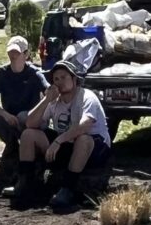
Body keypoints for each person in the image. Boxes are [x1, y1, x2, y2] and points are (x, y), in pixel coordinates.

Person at [15, 57, 113, 213]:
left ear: (74, 79)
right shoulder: (54, 101)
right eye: (56, 79)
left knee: (83, 138)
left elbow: (85, 125)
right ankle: (25, 182)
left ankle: (68, 189)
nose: (59, 81)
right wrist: (46, 100)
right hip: (68, 146)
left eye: (64, 77)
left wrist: (58, 141)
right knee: (28, 134)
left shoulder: (87, 96)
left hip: (94, 149)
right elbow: (30, 123)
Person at [0, 36, 48, 194]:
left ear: (26, 54)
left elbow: (48, 91)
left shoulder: (35, 73)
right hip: (10, 119)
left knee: (23, 116)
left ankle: (21, 160)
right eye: (11, 52)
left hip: (29, 119)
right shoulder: (1, 73)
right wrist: (4, 114)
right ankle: (13, 143)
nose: (13, 56)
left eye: (17, 53)